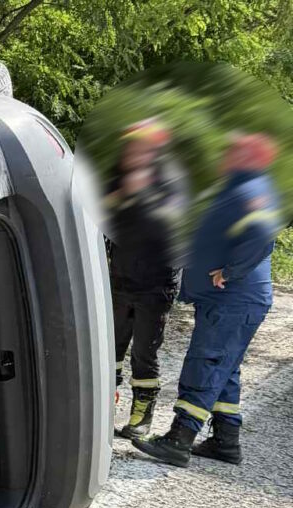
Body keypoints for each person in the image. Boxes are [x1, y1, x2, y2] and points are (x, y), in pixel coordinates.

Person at [133, 133, 283, 466]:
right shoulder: (239, 188)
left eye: (233, 152)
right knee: (224, 367)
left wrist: (230, 271)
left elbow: (262, 233)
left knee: (206, 362)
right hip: (227, 301)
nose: (224, 157)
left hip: (233, 300)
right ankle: (225, 440)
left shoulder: (250, 189)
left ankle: (179, 438)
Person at [104, 119, 187, 439]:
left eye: (141, 145)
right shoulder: (119, 175)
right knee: (109, 350)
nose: (133, 151)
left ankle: (142, 416)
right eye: (131, 145)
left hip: (155, 285)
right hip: (119, 279)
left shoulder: (172, 179)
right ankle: (104, 409)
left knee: (144, 353)